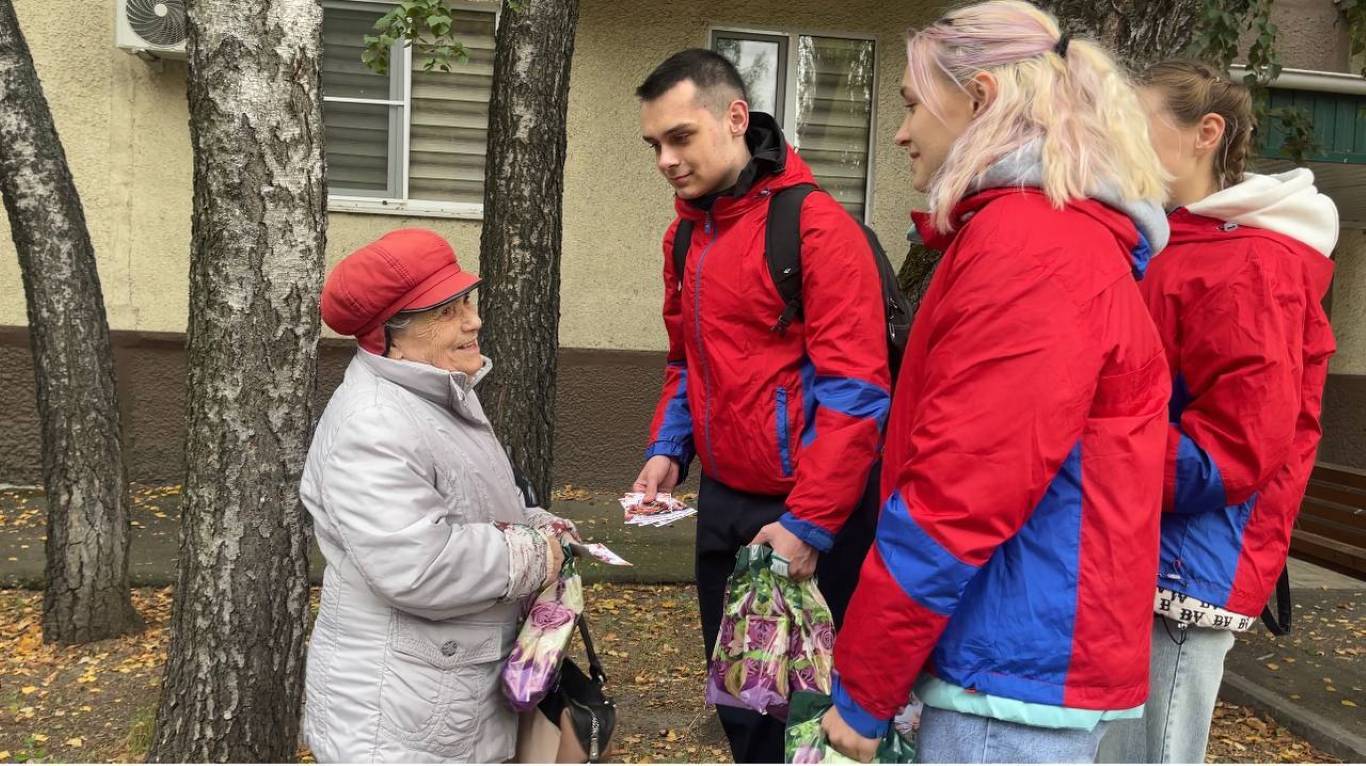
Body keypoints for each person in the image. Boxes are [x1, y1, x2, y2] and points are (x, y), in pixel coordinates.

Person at [817, 2, 1175, 762]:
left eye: (911, 103)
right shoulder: (1050, 237)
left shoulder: (1029, 248)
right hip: (1019, 656)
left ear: (979, 98)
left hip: (1006, 674)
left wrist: (865, 686)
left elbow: (958, 492)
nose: (901, 132)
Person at [632, 49, 892, 762]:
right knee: (743, 707)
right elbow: (687, 361)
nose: (666, 160)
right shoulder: (685, 236)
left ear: (736, 118)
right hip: (725, 505)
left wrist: (811, 523)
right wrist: (669, 448)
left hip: (809, 513)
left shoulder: (816, 228)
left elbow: (856, 393)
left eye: (680, 137)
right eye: (654, 144)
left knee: (810, 720)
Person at [1096, 60, 1338, 764]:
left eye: (1135, 124)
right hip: (1151, 545)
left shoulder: (1249, 263)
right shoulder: (1180, 243)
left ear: (1206, 133)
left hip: (1183, 563)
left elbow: (1236, 447)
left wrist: (1093, 457)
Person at [299, 228, 578, 763]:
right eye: (446, 312)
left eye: (467, 302)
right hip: (398, 717)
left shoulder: (434, 394)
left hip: (443, 695)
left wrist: (537, 524)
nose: (473, 321)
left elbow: (470, 504)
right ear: (390, 336)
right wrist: (533, 552)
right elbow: (417, 565)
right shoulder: (374, 424)